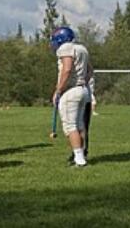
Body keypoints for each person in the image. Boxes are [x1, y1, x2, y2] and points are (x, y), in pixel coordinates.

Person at [50, 27, 92, 168]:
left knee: (70, 126)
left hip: (71, 91)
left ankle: (79, 159)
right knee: (80, 125)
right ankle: (80, 156)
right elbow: (90, 70)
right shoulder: (82, 49)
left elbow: (67, 69)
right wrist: (82, 82)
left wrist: (58, 90)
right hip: (83, 90)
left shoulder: (65, 48)